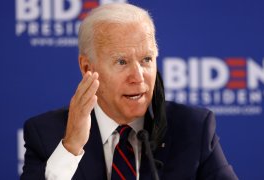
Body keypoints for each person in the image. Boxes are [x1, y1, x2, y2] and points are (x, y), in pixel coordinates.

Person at [21, 3, 238, 180]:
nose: (138, 76)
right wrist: (71, 148)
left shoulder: (192, 127)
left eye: (146, 60)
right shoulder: (47, 134)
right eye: (121, 61)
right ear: (87, 68)